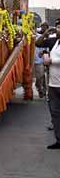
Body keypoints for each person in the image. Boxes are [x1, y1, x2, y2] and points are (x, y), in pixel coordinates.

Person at [43, 19, 60, 149]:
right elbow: (39, 44)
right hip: (53, 84)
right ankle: (58, 140)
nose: (58, 30)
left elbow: (53, 60)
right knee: (54, 112)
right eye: (58, 27)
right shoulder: (56, 42)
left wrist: (51, 60)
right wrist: (45, 55)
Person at [36, 22, 50, 98]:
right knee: (40, 77)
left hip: (45, 59)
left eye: (45, 26)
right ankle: (40, 89)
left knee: (44, 76)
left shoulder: (49, 37)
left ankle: (44, 91)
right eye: (42, 26)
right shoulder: (36, 36)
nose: (43, 28)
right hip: (36, 60)